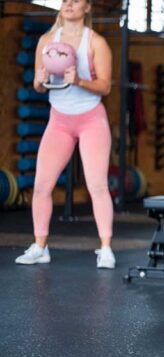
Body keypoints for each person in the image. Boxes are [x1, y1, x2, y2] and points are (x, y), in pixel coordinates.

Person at [15, 0, 115, 269]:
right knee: (41, 185)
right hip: (59, 119)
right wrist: (40, 79)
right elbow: (39, 86)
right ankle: (40, 247)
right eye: (65, 0)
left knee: (97, 186)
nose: (69, 3)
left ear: (88, 8)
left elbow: (105, 86)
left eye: (76, 0)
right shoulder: (47, 40)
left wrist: (79, 80)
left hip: (91, 118)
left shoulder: (96, 43)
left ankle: (106, 249)